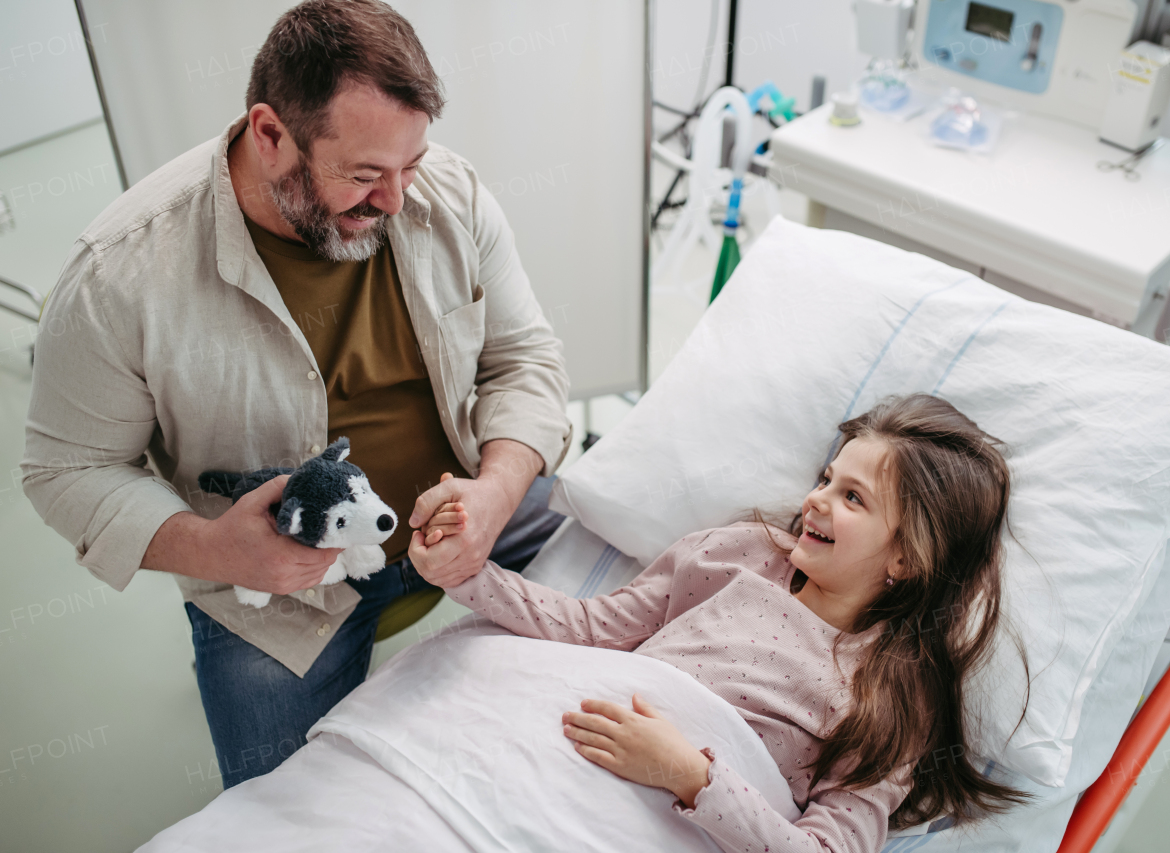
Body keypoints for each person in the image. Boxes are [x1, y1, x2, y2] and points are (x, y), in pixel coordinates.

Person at [21, 0, 570, 789]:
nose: (396, 200)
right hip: (277, 598)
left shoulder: (444, 193)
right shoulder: (119, 275)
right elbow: (64, 469)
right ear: (270, 133)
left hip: (471, 508)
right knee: (283, 815)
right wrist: (215, 549)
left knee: (642, 605)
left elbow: (525, 358)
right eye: (364, 176)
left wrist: (495, 490)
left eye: (410, 165)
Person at [413, 394, 1031, 853]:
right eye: (827, 479)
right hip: (564, 745)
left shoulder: (889, 699)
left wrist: (689, 774)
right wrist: (464, 572)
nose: (815, 500)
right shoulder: (736, 556)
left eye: (853, 498)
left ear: (907, 556)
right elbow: (591, 629)